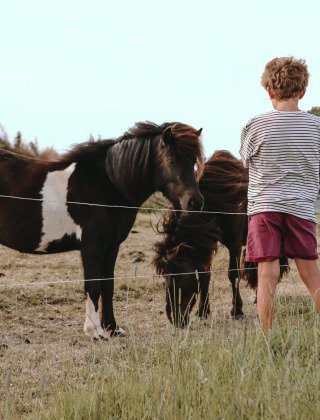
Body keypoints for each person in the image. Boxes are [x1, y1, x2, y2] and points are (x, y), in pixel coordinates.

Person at [240, 56, 320, 335]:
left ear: (269, 91)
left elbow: (246, 162)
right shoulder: (317, 128)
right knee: (312, 275)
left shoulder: (255, 125)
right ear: (303, 91)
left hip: (264, 208)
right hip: (302, 208)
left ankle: (268, 337)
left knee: (267, 275)